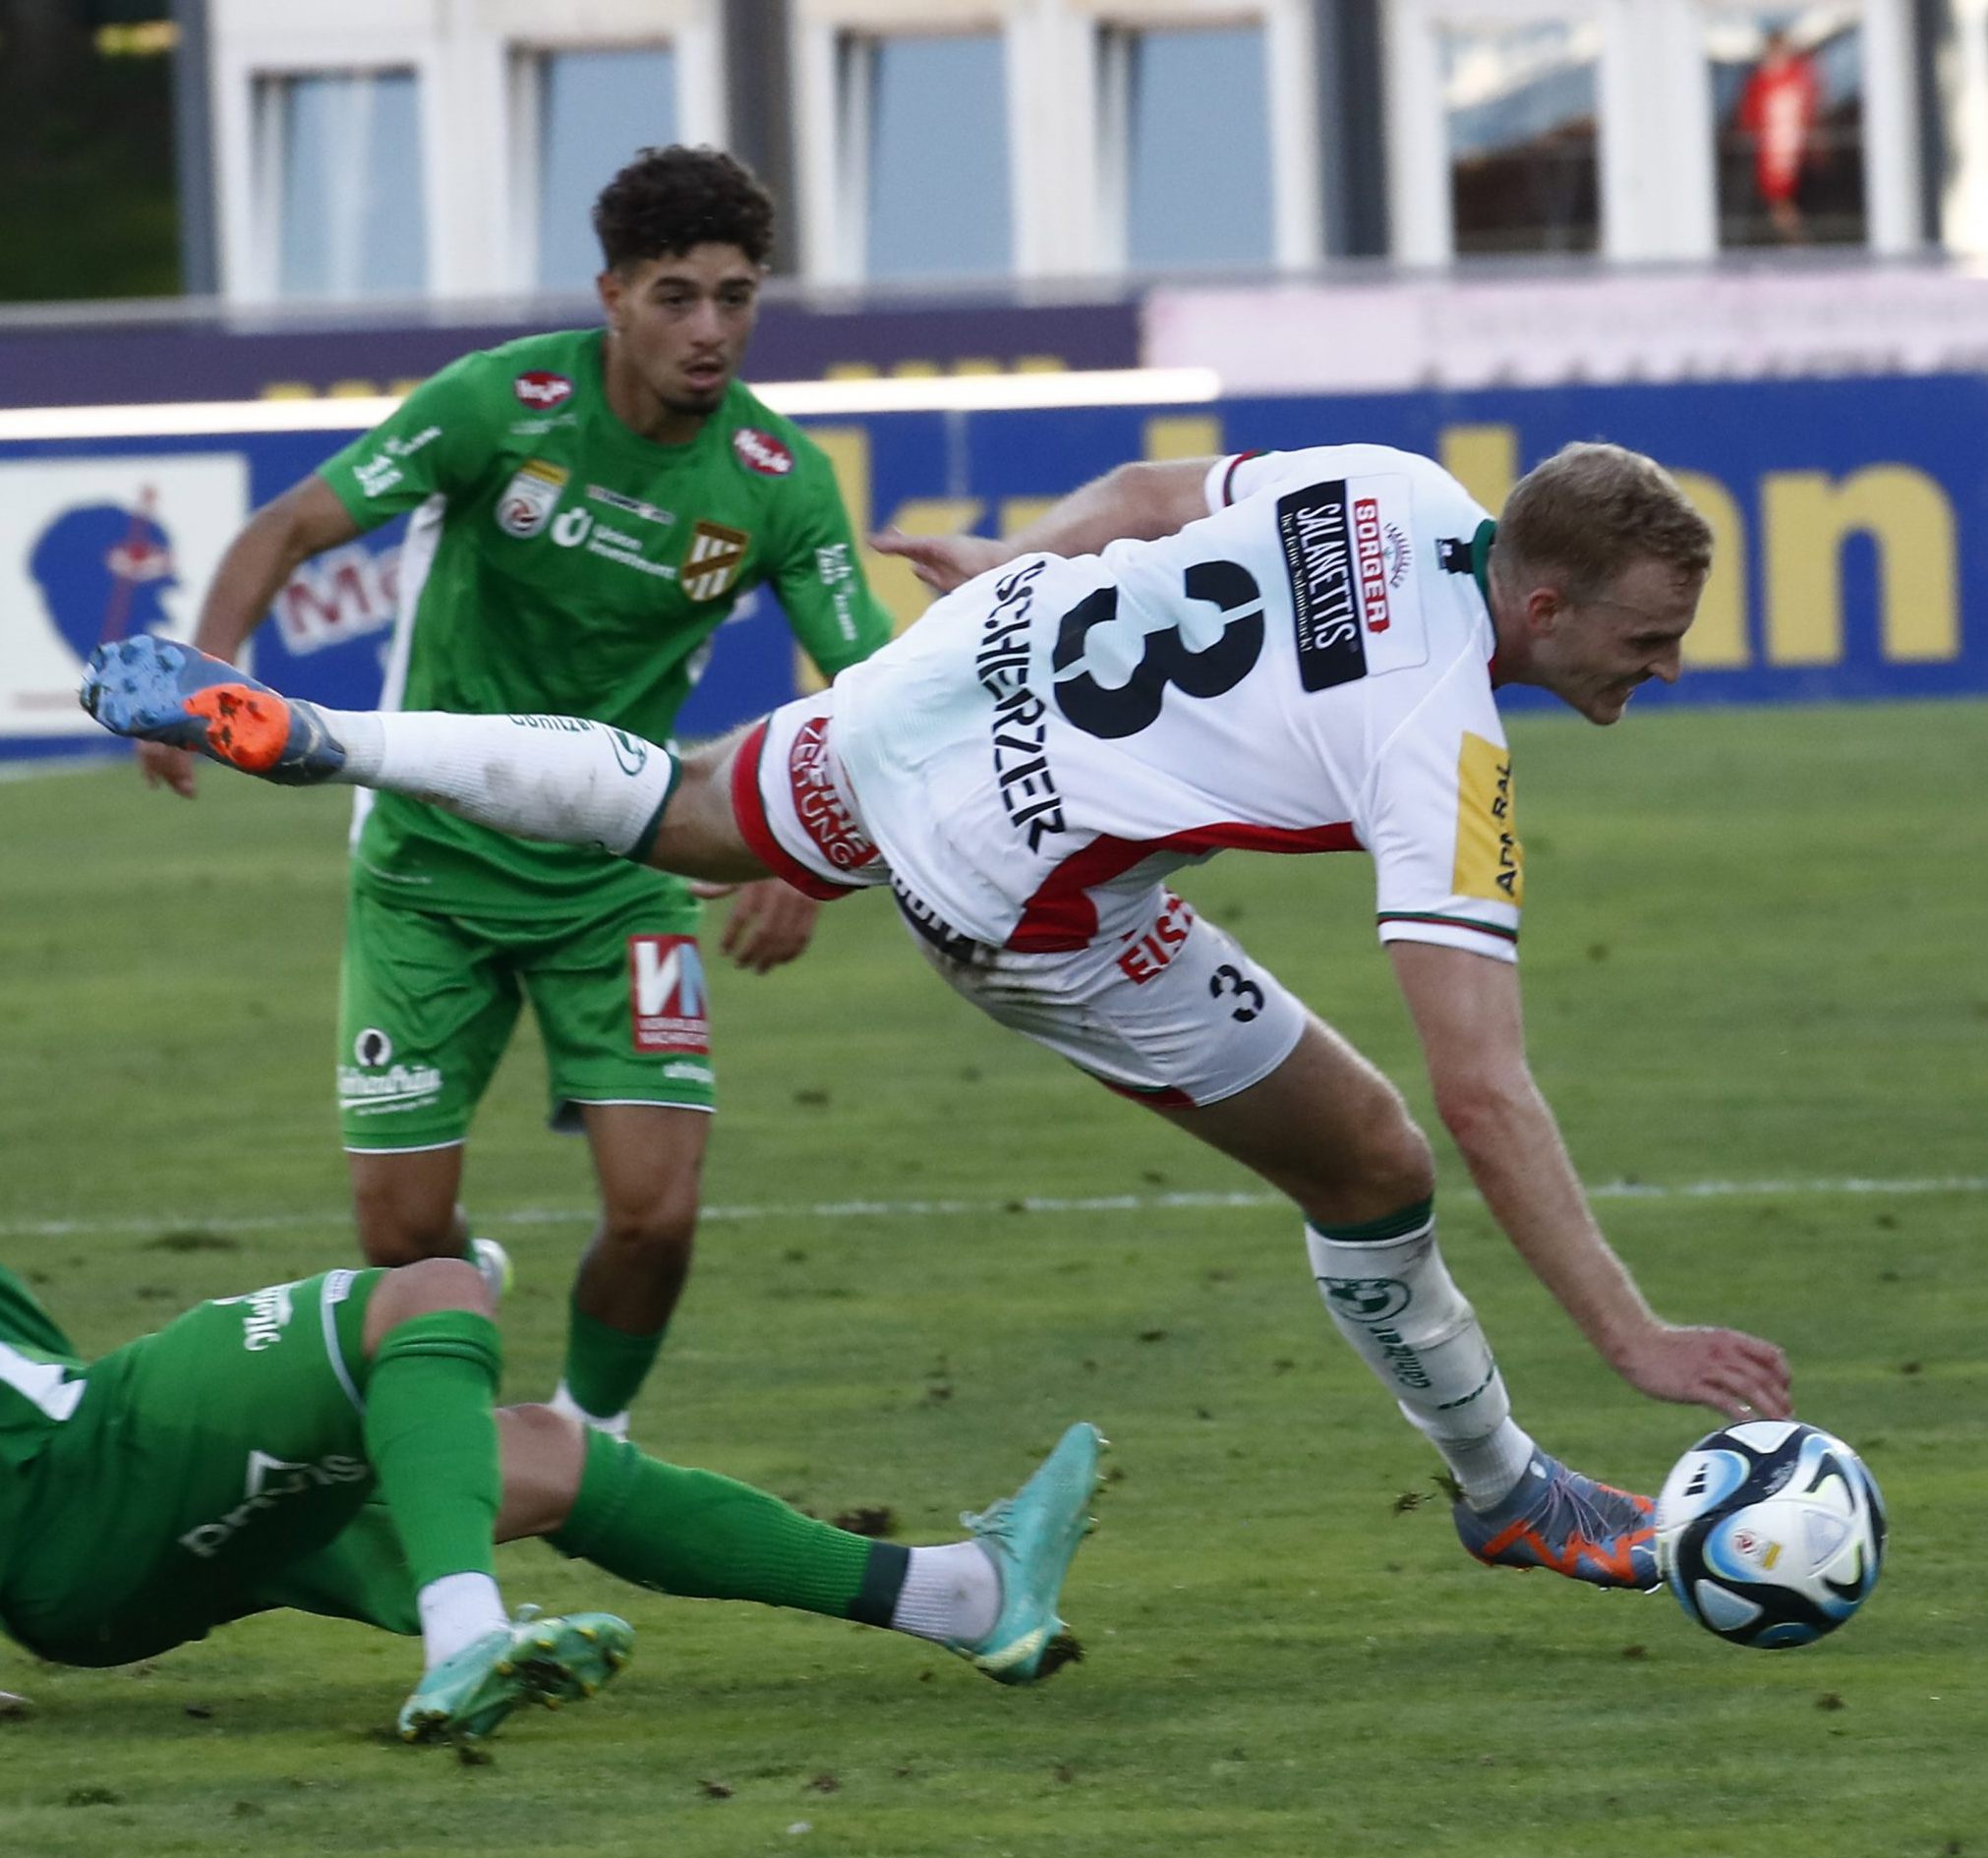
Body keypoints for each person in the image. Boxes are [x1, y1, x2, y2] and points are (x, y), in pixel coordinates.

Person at [81, 437, 1795, 1592]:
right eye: (1646, 640)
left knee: (673, 807)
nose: (1660, 671)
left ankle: (315, 731)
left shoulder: (1395, 481)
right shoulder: (1442, 735)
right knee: (1372, 1161)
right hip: (1028, 889)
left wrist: (1001, 571)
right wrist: (1628, 1334)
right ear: (1542, 601)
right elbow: (1484, 1086)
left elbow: (1136, 489)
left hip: (953, 678)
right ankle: (1507, 1490)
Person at [129, 145, 894, 1441]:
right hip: (430, 863)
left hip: (620, 868)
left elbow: (872, 690)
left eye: (735, 295)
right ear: (610, 294)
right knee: (404, 1231)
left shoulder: (775, 480)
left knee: (657, 1211)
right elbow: (289, 529)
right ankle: (459, 1318)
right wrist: (206, 682)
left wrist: (800, 854)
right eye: (675, 296)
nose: (709, 331)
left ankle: (589, 1442)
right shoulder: (504, 403)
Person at [0, 1256, 1100, 1743]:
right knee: (428, 1296)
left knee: (535, 1449)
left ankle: (960, 1594)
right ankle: (462, 1640)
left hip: (89, 1567)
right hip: (95, 1471)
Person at [1733, 28, 1822, 245]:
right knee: (1779, 199)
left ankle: (1799, 242)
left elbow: (1810, 110)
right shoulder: (1761, 82)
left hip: (1798, 157)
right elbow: (1749, 117)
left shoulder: (1798, 76)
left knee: (1786, 199)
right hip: (1776, 157)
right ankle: (1796, 242)